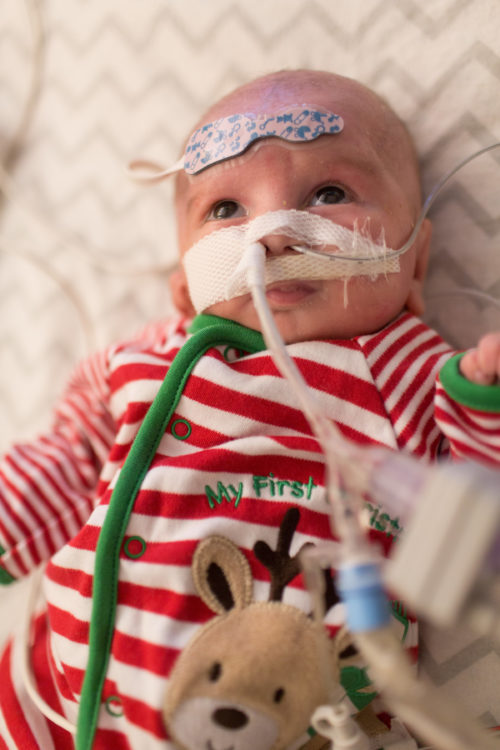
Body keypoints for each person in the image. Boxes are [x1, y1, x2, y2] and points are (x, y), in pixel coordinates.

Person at [0, 69, 499, 750]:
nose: (270, 235)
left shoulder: (398, 367)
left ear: (415, 267)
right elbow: (72, 450)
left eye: (328, 193)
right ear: (183, 289)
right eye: (225, 210)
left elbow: (470, 496)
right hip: (51, 692)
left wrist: (483, 402)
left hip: (291, 715)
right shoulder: (141, 362)